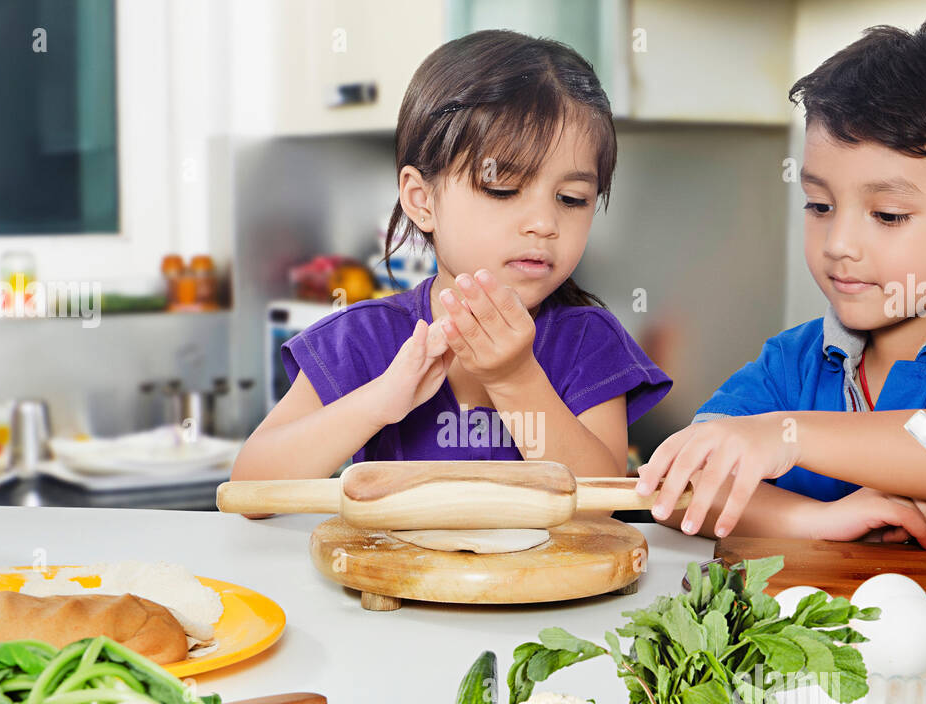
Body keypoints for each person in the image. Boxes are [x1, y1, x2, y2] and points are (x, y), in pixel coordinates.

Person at [636, 7, 926, 549]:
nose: (838, 244)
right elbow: (679, 488)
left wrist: (788, 435)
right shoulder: (790, 365)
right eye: (819, 204)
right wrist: (816, 520)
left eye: (888, 215)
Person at [232, 30, 670, 495]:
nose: (545, 223)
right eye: (503, 189)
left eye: (572, 198)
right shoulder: (364, 339)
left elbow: (601, 498)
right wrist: (378, 402)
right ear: (422, 201)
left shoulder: (588, 342)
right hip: (395, 570)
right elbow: (250, 487)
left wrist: (516, 380)